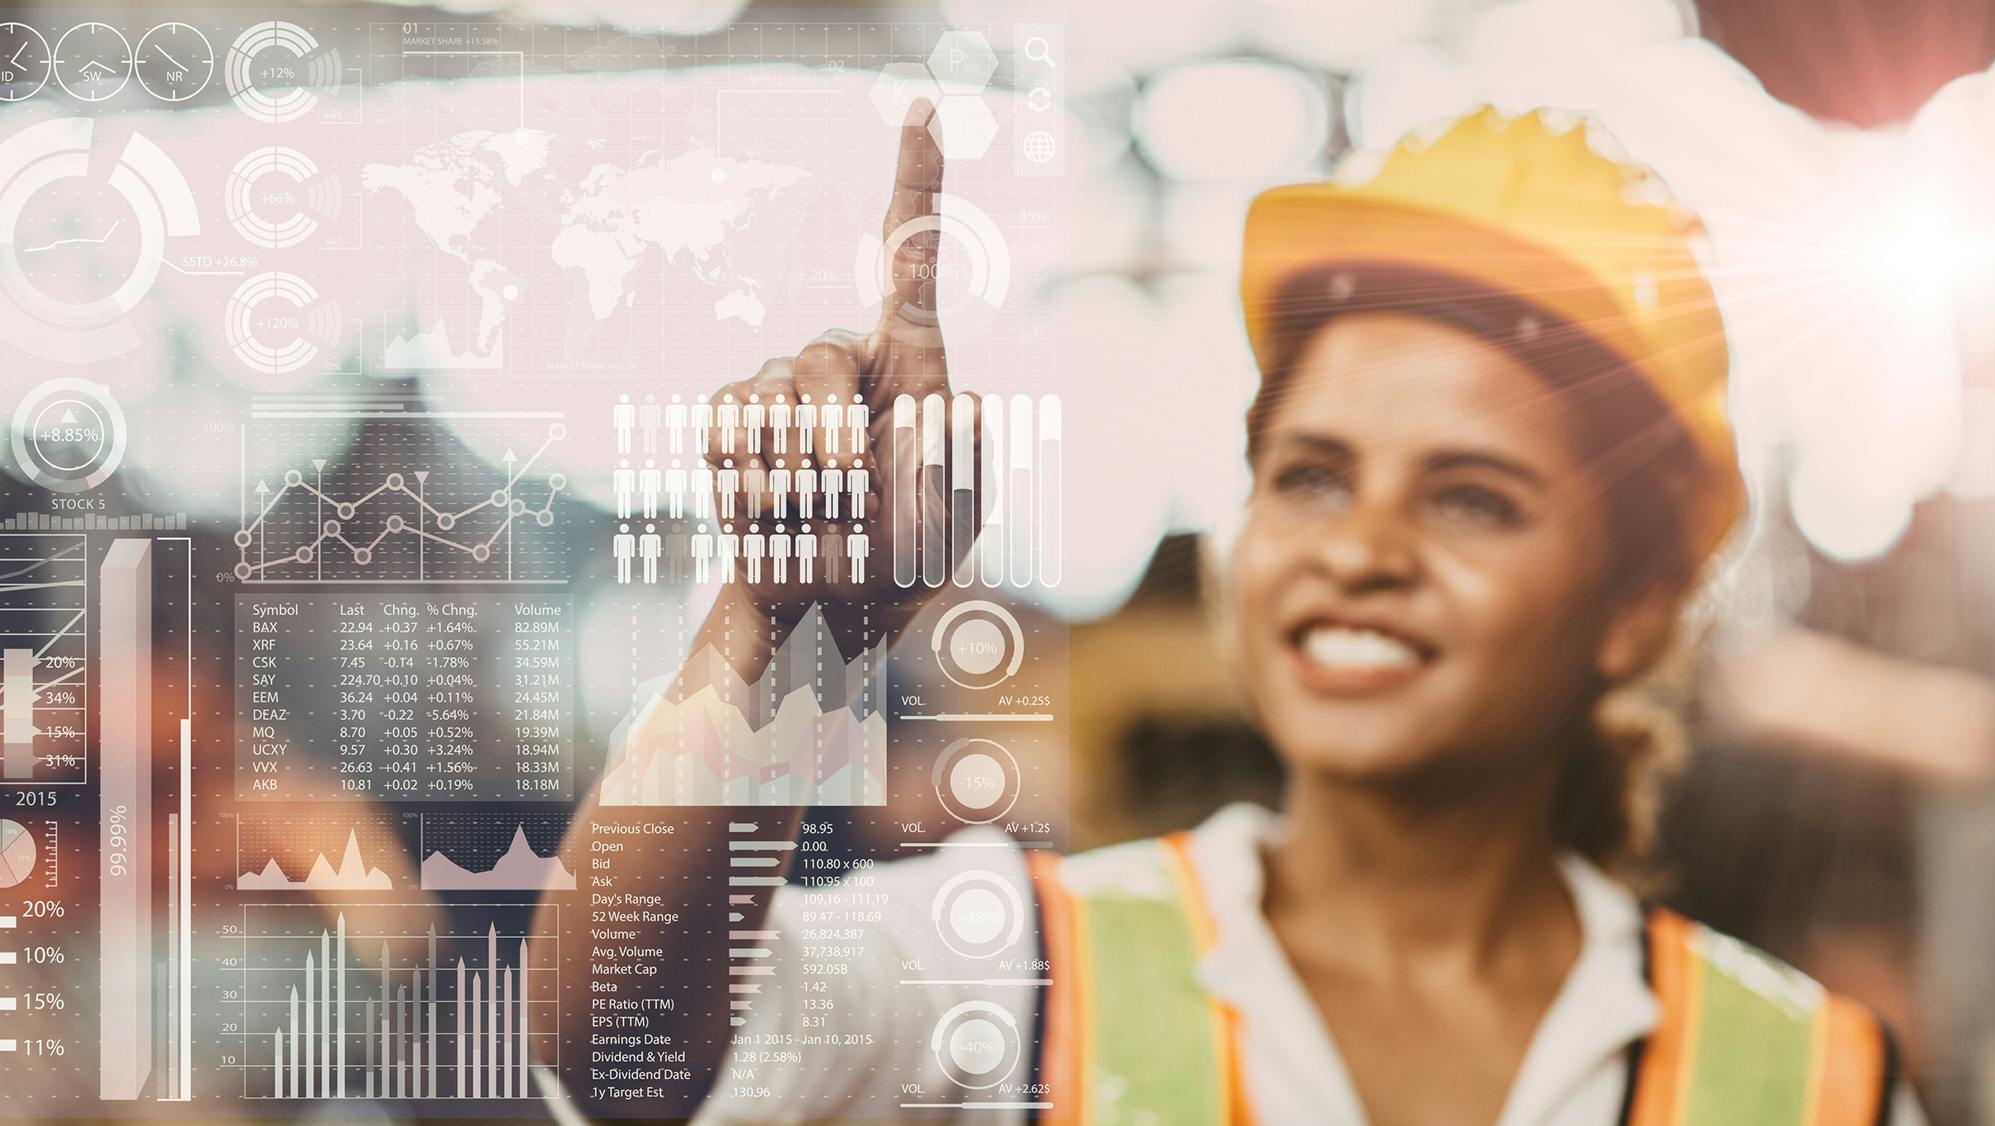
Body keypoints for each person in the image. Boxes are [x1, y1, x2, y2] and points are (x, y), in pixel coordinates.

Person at [545, 103, 1925, 1125]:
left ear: (1635, 607)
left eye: (1471, 498)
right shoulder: (1010, 979)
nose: (1360, 548)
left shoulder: (1815, 1082)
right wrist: (786, 631)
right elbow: (609, 1053)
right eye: (1313, 476)